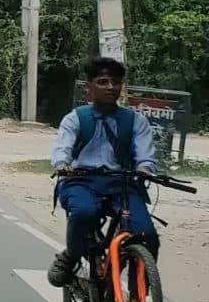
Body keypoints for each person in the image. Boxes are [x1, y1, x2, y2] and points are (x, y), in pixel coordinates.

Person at [46, 56, 159, 288]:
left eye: (116, 82)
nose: (111, 87)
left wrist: (145, 169)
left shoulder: (135, 121)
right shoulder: (76, 119)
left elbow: (145, 155)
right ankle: (71, 255)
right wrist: (62, 164)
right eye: (103, 82)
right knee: (83, 212)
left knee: (147, 235)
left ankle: (137, 296)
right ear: (89, 87)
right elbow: (61, 149)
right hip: (81, 181)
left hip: (121, 183)